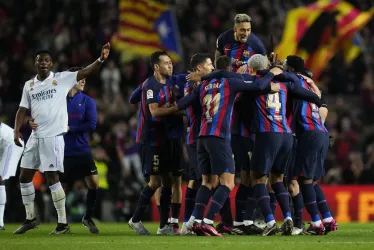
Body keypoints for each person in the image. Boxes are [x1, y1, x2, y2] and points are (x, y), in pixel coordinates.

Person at [12, 42, 110, 235]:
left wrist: (100, 59)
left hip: (53, 137)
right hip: (34, 136)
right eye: (40, 60)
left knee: (52, 179)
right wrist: (17, 131)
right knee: (23, 177)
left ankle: (63, 224)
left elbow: (86, 71)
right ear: (35, 63)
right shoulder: (29, 85)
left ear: (52, 63)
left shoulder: (62, 79)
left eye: (47, 60)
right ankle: (31, 218)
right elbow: (22, 110)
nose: (43, 63)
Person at [177, 55, 280, 236]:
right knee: (228, 183)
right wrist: (271, 73)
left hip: (202, 137)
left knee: (208, 182)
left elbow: (182, 104)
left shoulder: (201, 86)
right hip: (219, 138)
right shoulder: (229, 82)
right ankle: (207, 221)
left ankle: (194, 222)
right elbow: (257, 86)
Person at [247, 54, 322, 236]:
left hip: (267, 134)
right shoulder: (286, 84)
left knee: (257, 179)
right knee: (278, 179)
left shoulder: (253, 82)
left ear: (251, 69)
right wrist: (313, 87)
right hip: (286, 135)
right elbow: (314, 97)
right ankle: (288, 218)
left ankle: (270, 221)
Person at [214, 13, 267, 234]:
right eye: (242, 29)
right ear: (234, 28)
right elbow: (217, 63)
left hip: (246, 102)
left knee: (249, 172)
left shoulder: (257, 44)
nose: (245, 33)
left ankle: (244, 220)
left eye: (248, 29)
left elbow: (263, 69)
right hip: (228, 101)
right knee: (228, 174)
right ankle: (228, 220)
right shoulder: (223, 39)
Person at [31, 73, 100, 233]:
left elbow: (92, 124)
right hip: (62, 151)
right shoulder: (58, 100)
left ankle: (88, 217)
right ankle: (62, 222)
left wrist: (70, 128)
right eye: (79, 78)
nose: (83, 80)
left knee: (94, 184)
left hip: (82, 150)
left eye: (84, 78)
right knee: (61, 187)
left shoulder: (88, 101)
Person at [128, 51, 180, 236]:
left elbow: (132, 99)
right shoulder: (151, 85)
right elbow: (155, 112)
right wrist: (176, 108)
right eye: (166, 63)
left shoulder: (166, 83)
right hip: (150, 139)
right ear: (156, 67)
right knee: (155, 181)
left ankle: (163, 226)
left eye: (170, 63)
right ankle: (135, 220)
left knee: (167, 180)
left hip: (163, 138)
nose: (170, 65)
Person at [179, 53, 215, 235]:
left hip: (198, 137)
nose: (213, 68)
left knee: (196, 180)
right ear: (199, 68)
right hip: (198, 138)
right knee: (207, 180)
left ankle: (188, 222)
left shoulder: (195, 83)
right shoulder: (195, 86)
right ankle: (193, 221)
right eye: (210, 65)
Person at [0, 122, 25, 230]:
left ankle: (0, 222)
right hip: (5, 143)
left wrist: (14, 132)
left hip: (13, 144)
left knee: (0, 178)